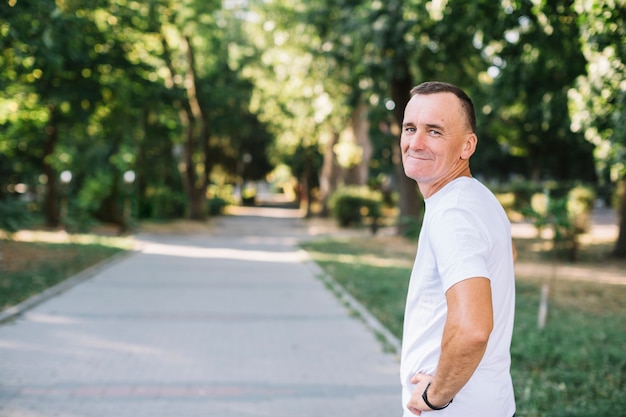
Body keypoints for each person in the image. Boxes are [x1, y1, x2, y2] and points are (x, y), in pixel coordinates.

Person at [399, 81, 516, 417]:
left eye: (434, 131)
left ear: (467, 145)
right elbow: (506, 256)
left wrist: (435, 397)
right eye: (410, 128)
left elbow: (472, 328)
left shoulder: (454, 212)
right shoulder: (476, 198)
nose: (415, 142)